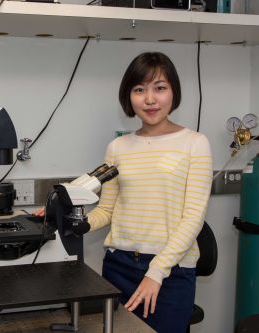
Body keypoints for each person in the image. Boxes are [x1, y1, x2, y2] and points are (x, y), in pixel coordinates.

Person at [86, 51, 213, 332]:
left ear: (173, 92)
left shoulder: (195, 143)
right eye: (139, 89)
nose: (150, 99)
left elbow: (193, 217)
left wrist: (157, 271)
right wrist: (71, 223)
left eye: (160, 88)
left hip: (171, 271)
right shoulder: (117, 148)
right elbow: (107, 210)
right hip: (118, 266)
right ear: (129, 97)